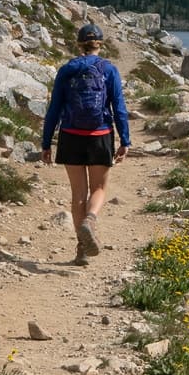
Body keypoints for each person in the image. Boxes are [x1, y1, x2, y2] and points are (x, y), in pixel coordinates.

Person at [40, 23, 131, 264]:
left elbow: (54, 109)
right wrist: (125, 140)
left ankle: (81, 250)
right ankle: (91, 219)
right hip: (99, 135)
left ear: (79, 44)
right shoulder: (108, 70)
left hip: (70, 135)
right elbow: (119, 108)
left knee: (78, 193)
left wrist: (46, 142)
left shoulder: (67, 69)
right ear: (100, 44)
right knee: (99, 189)